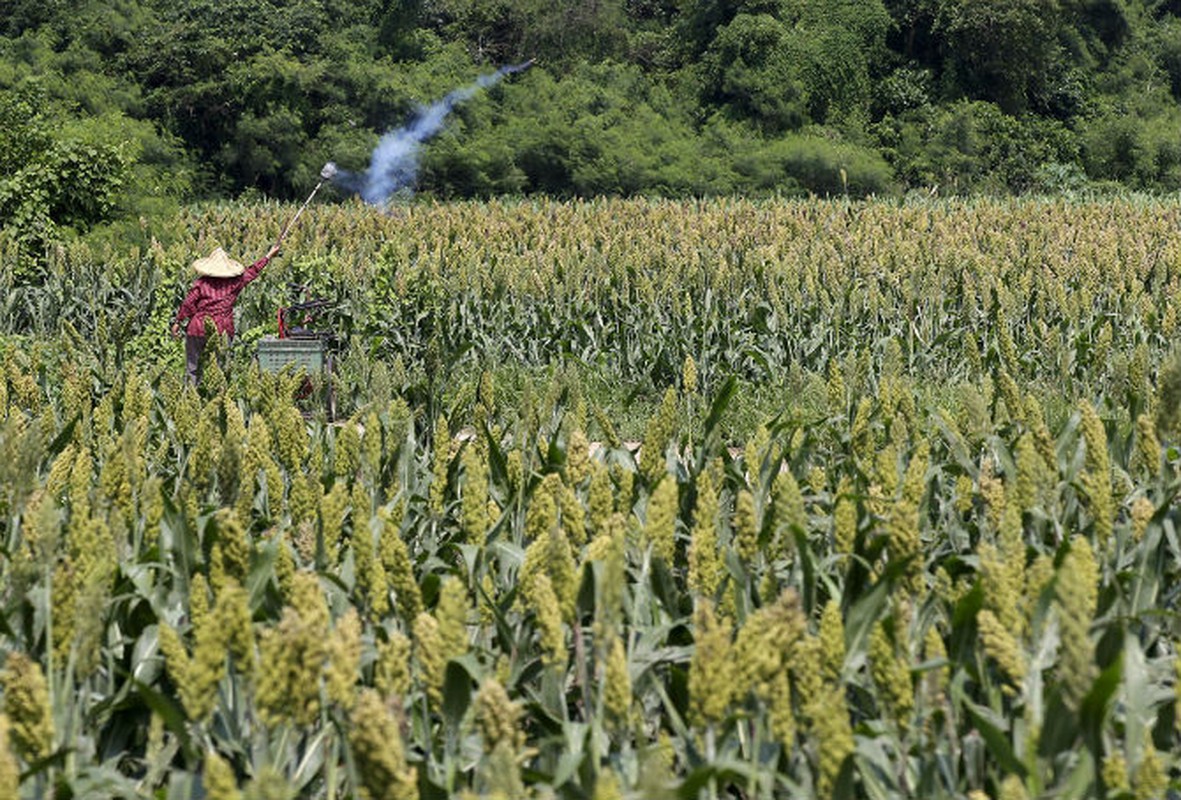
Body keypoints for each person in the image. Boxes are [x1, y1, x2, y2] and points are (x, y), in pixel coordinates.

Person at [172, 243, 281, 384]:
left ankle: (192, 398)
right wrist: (268, 255)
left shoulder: (201, 283)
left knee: (193, 367)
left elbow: (188, 304)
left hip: (197, 328)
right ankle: (218, 398)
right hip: (222, 329)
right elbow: (253, 271)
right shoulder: (234, 283)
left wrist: (179, 321)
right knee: (220, 367)